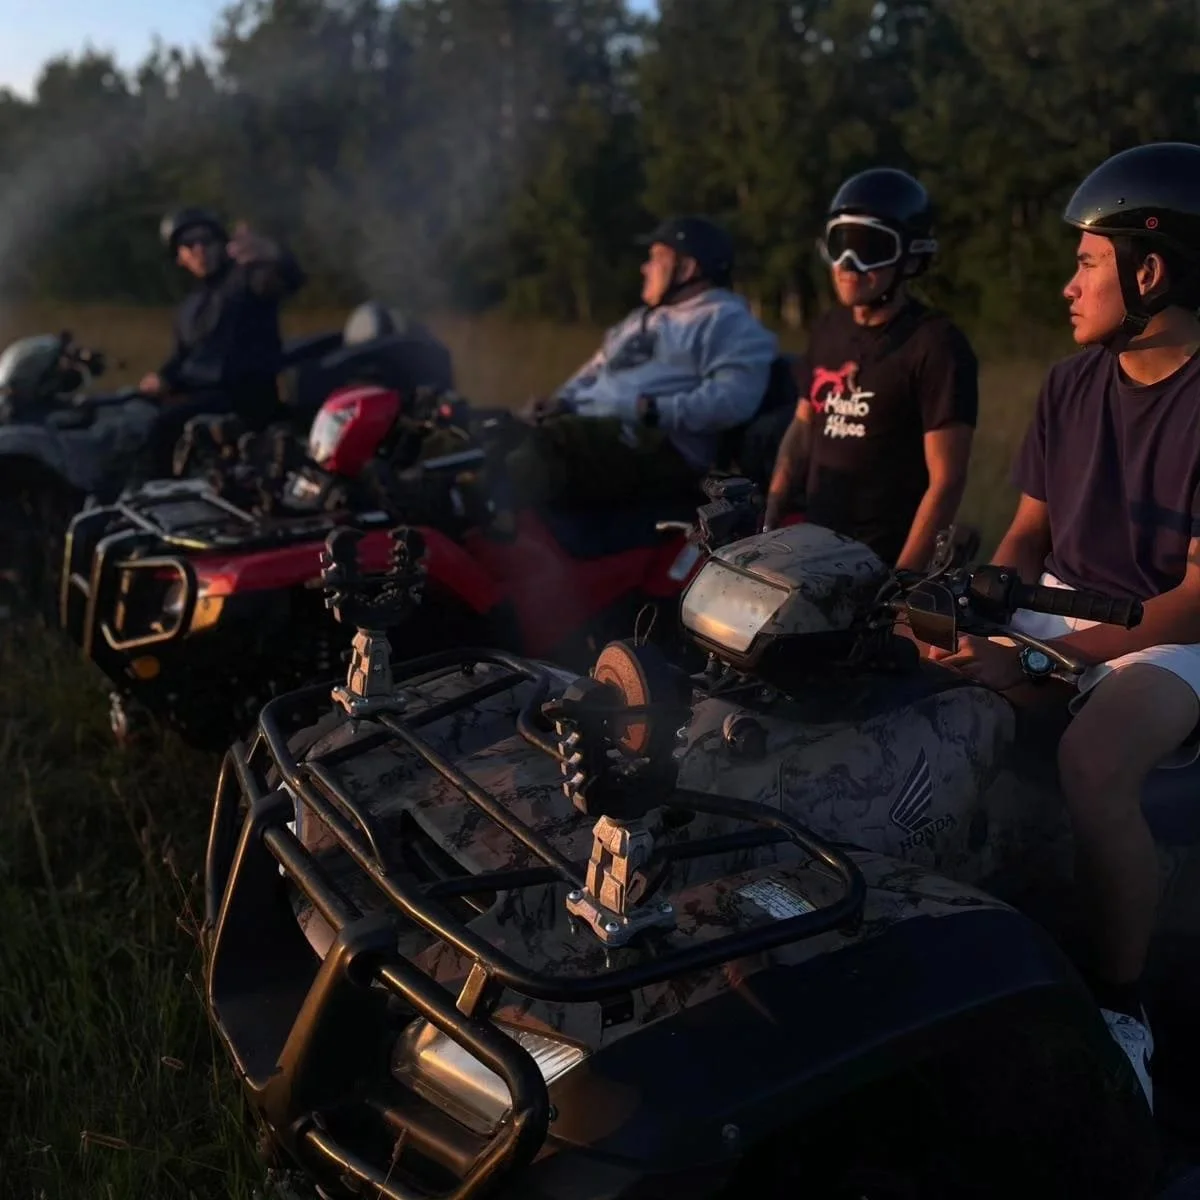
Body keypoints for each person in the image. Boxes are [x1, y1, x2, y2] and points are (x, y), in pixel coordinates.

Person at [928, 142, 1200, 1109]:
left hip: (1178, 636)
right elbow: (1029, 536)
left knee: (1095, 760)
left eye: (1087, 262)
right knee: (915, 687)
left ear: (1150, 270)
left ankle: (1123, 1008)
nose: (1067, 284)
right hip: (1067, 608)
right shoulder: (1066, 385)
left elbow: (1192, 599)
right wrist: (974, 601)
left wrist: (1037, 655)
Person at [762, 169, 978, 570]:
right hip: (813, 554)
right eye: (839, 244)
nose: (848, 263)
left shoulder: (936, 345)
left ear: (911, 256)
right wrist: (773, 508)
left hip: (880, 563)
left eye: (869, 248)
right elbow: (804, 423)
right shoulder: (829, 328)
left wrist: (900, 582)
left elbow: (947, 480)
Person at [503, 216, 779, 511]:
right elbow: (597, 368)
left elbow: (733, 400)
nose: (644, 268)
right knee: (490, 431)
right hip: (593, 428)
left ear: (687, 268)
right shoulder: (641, 319)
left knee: (535, 454)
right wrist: (560, 401)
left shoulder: (726, 320)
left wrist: (651, 410)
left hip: (655, 446)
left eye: (656, 259)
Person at [138, 207, 307, 477]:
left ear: (222, 244)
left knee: (162, 427)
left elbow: (289, 280)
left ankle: (161, 495)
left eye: (206, 240)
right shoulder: (188, 309)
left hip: (247, 397)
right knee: (134, 418)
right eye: (188, 244)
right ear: (179, 257)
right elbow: (181, 358)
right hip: (204, 396)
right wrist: (160, 378)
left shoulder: (246, 279)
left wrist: (272, 254)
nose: (199, 249)